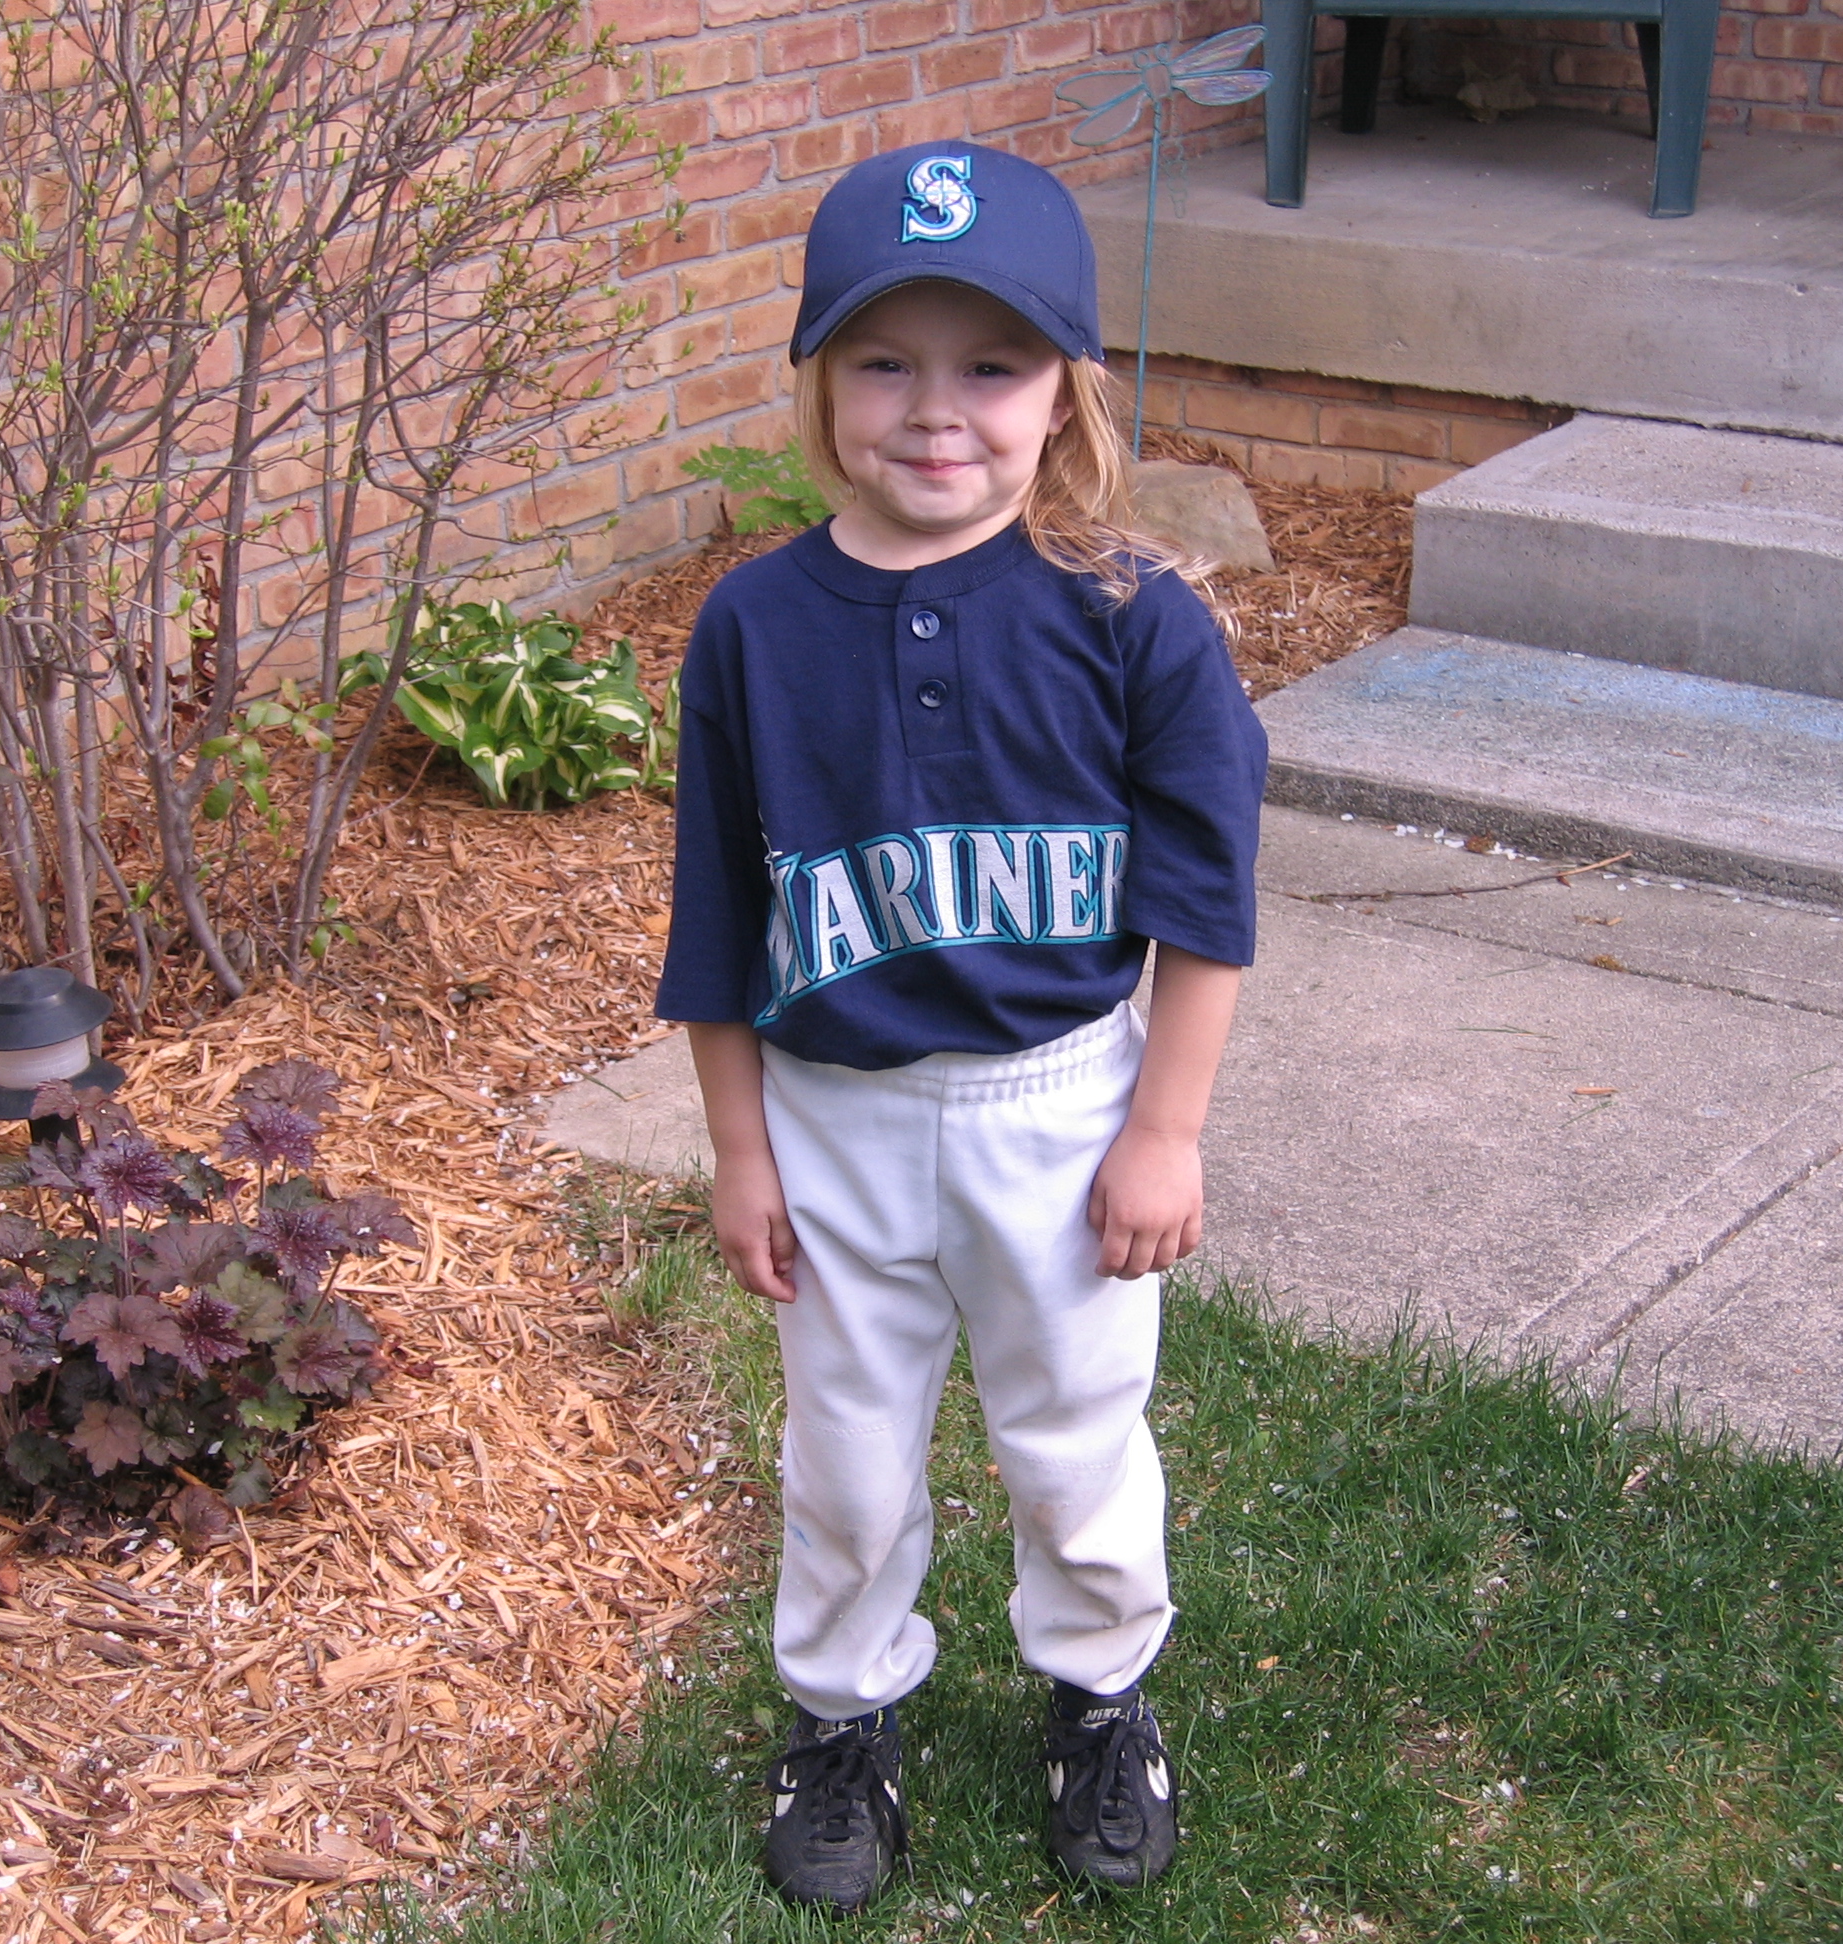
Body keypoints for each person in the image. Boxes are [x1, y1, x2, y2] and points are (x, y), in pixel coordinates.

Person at [655, 139, 1267, 1914]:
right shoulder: (755, 626)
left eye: (990, 364)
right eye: (884, 361)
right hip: (831, 1112)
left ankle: (1101, 1697)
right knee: (846, 1455)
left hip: (1058, 1106)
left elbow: (1204, 902)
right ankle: (842, 1716)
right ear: (820, 381)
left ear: (1064, 386)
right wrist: (741, 1150)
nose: (937, 411)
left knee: (1075, 1433)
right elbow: (720, 920)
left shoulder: (1132, 618)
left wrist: (1164, 1128)